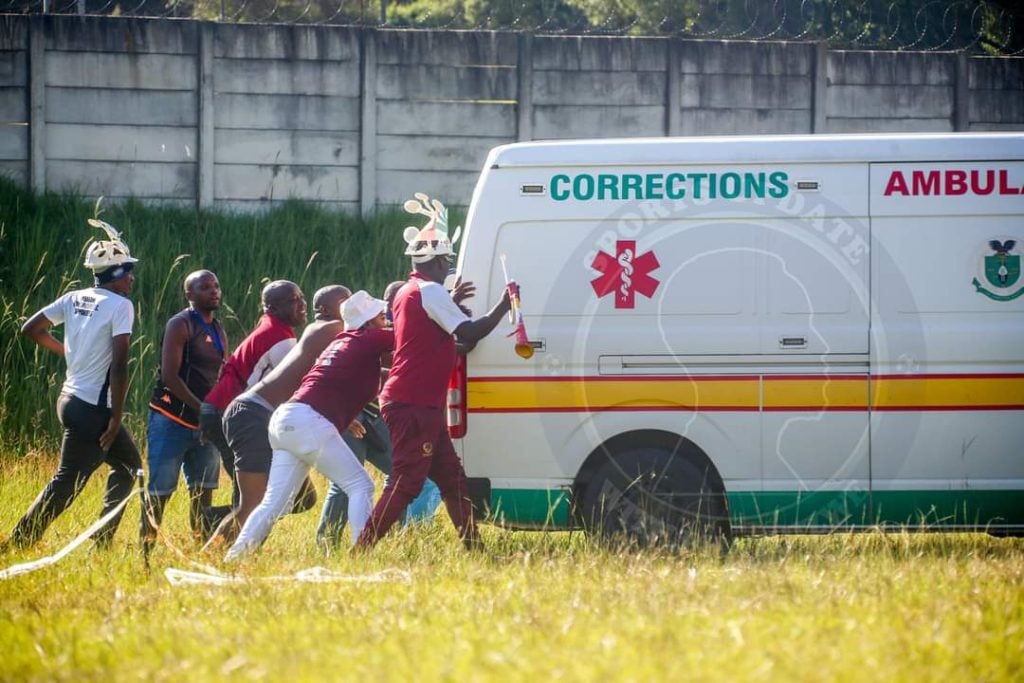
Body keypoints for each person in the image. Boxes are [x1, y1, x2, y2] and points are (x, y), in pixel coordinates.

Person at [355, 194, 511, 551]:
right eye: (447, 262)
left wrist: (451, 303)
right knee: (408, 482)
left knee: (452, 480)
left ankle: (476, 549)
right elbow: (469, 333)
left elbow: (431, 336)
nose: (449, 268)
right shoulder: (429, 292)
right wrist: (503, 305)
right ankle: (362, 547)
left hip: (418, 401)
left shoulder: (409, 291)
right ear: (439, 261)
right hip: (414, 402)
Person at [226, 291, 394, 561]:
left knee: (273, 503)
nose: (385, 319)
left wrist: (344, 416)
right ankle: (362, 558)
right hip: (306, 421)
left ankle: (234, 559)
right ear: (367, 321)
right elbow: (412, 337)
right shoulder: (369, 338)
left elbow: (333, 381)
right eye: (380, 315)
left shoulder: (345, 341)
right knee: (360, 486)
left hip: (285, 419)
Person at [8, 219, 142, 549]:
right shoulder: (121, 305)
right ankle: (20, 540)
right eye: (127, 271)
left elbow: (31, 328)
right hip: (95, 409)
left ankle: (102, 538)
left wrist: (66, 350)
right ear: (114, 275)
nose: (131, 277)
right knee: (68, 481)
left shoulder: (73, 297)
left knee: (129, 467)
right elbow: (120, 366)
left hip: (69, 401)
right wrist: (116, 417)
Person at [205, 285, 351, 548]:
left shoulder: (276, 328)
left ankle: (221, 528)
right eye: (293, 301)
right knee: (253, 504)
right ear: (272, 308)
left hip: (251, 415)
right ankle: (215, 553)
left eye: (302, 298)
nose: (301, 304)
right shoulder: (283, 337)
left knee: (293, 498)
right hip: (247, 415)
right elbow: (301, 387)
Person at [316, 280, 444, 548]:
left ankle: (396, 537)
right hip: (350, 420)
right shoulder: (356, 337)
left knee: (404, 474)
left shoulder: (371, 338)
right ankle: (327, 545)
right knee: (345, 484)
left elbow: (393, 364)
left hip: (373, 417)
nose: (384, 315)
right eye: (379, 313)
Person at [142, 270, 229, 545]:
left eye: (216, 286)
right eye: (205, 287)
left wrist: (214, 411)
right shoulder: (180, 324)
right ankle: (145, 550)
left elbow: (219, 375)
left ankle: (200, 549)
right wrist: (201, 408)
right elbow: (170, 376)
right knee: (160, 491)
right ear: (189, 294)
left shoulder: (218, 329)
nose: (213, 291)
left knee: (204, 492)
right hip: (171, 419)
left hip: (205, 424)